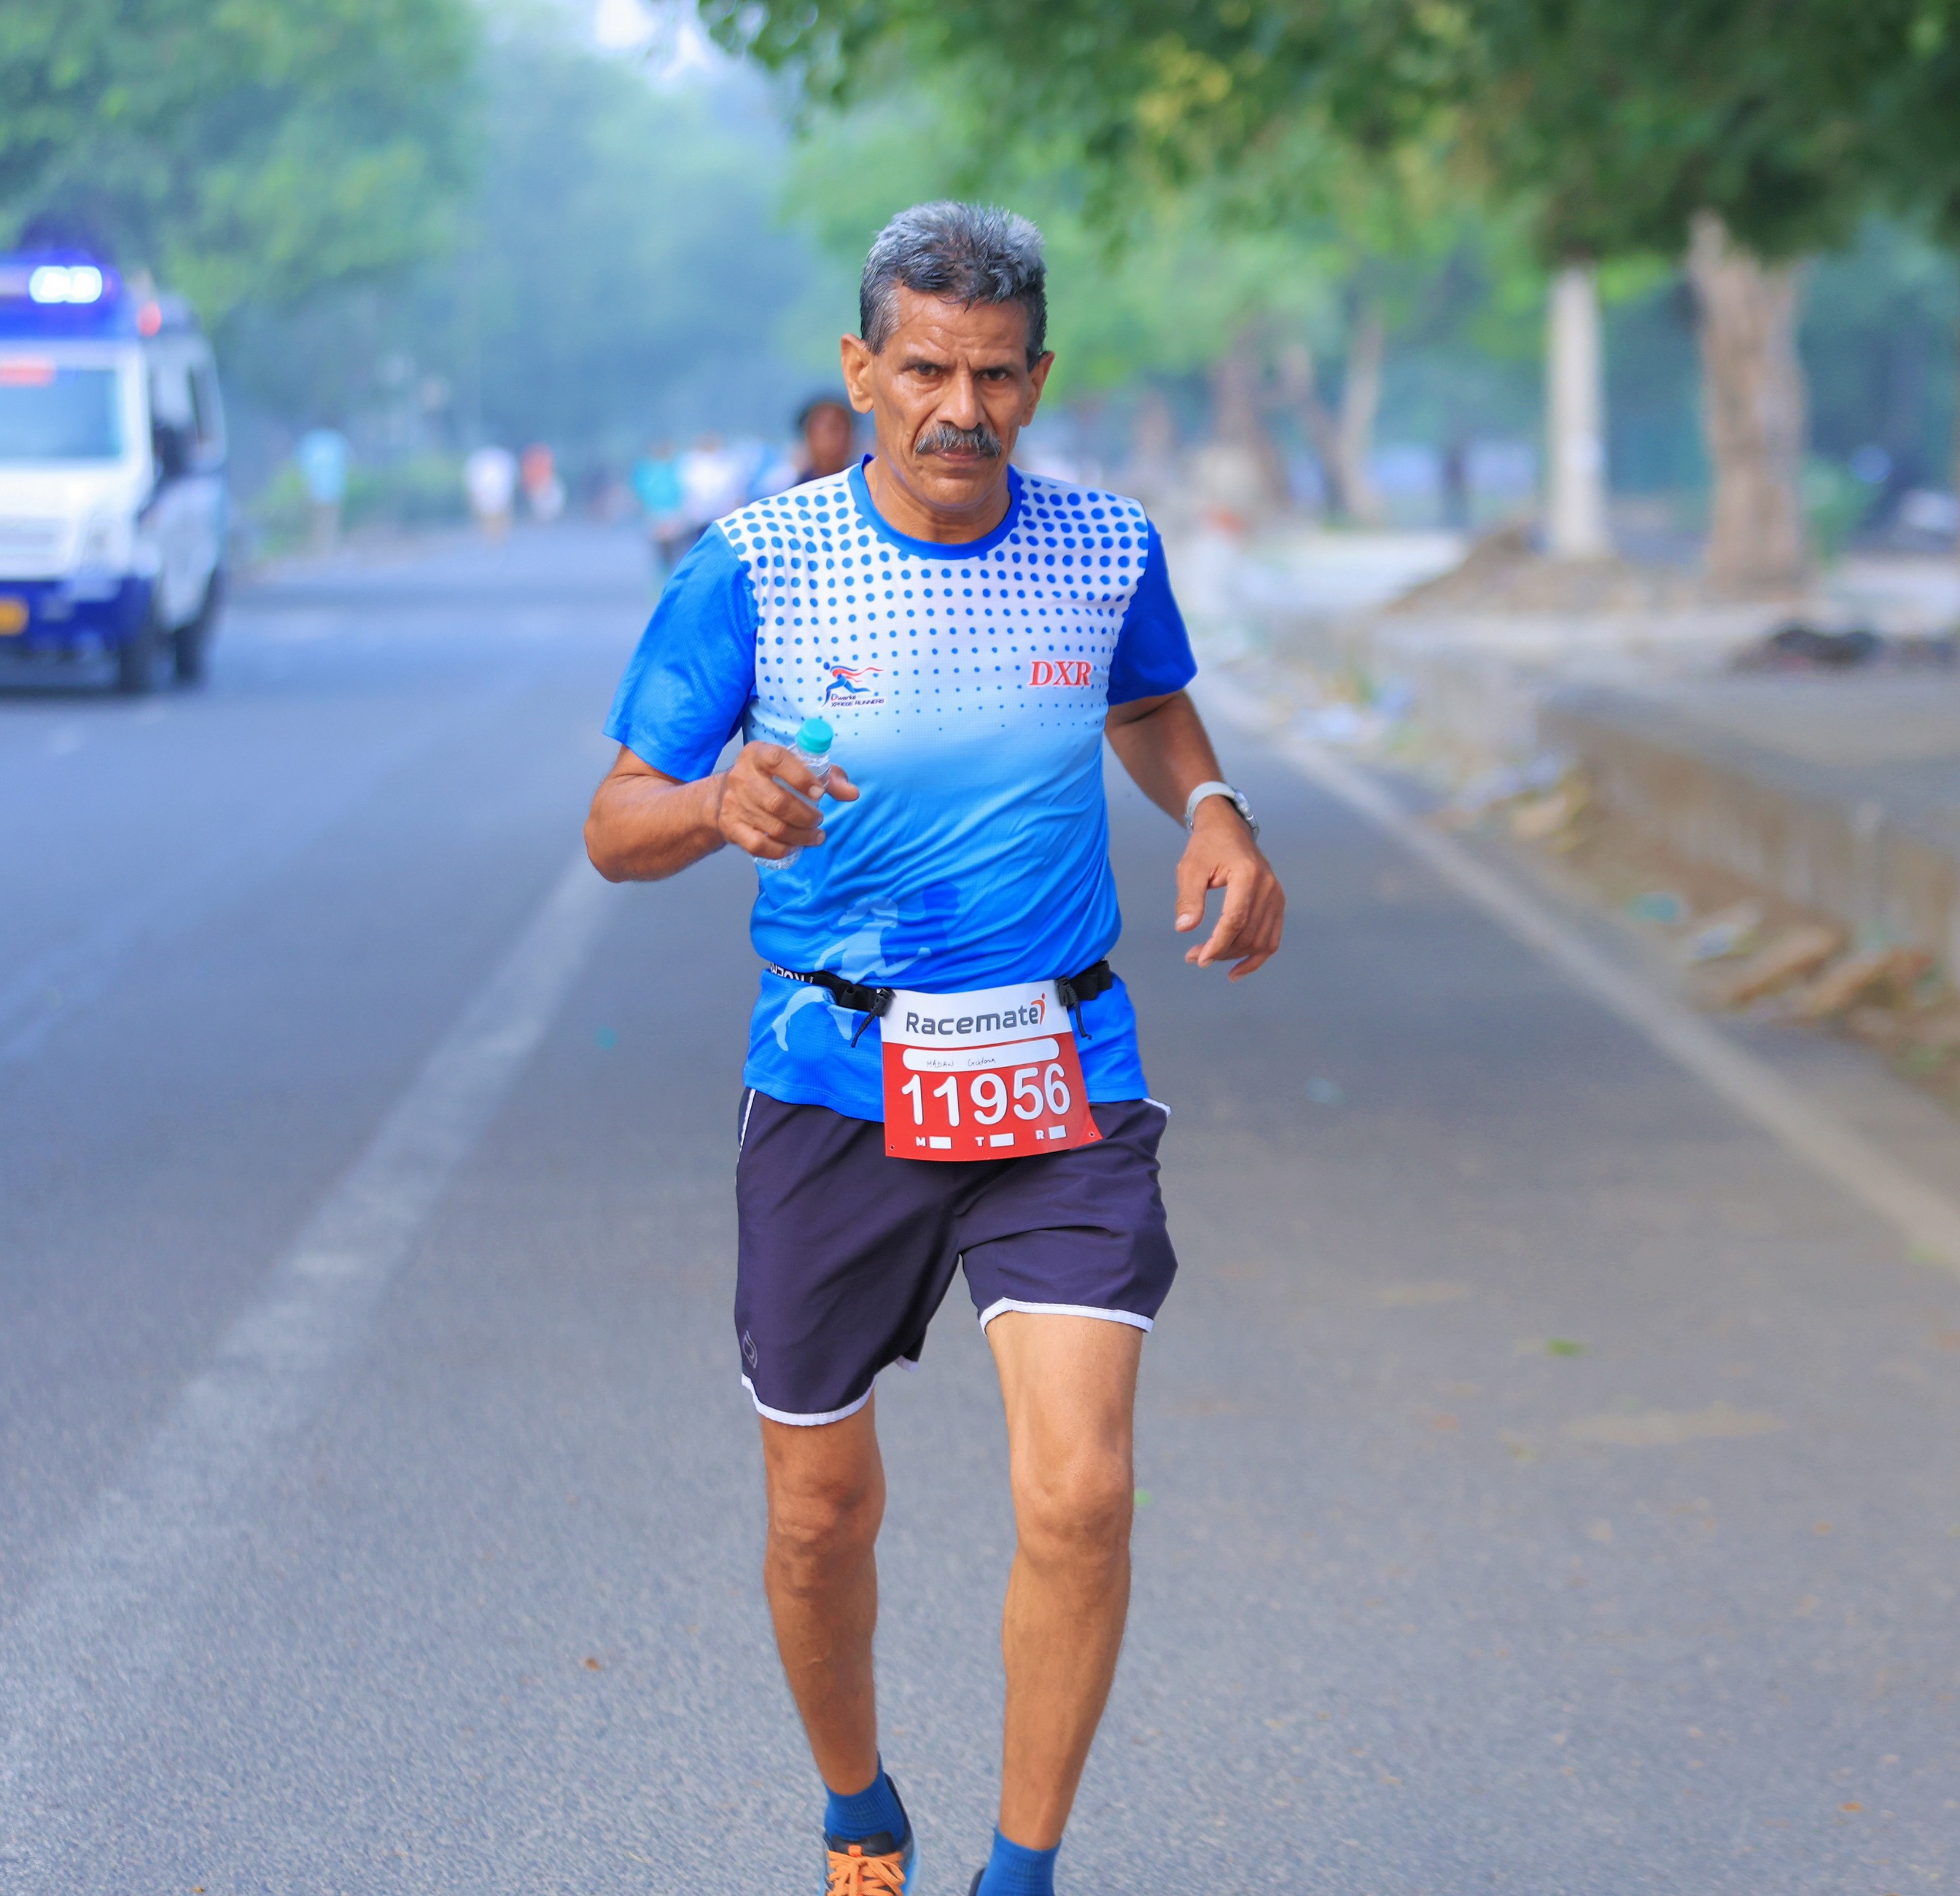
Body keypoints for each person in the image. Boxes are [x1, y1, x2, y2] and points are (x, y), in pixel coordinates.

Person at [584, 202, 1284, 1896]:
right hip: (836, 1080)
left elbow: (1143, 699)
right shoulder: (755, 564)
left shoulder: (1104, 545)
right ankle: (857, 1804)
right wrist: (713, 804)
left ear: (1038, 376)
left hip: (1060, 1070)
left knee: (1082, 1492)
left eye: (995, 376)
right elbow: (615, 823)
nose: (960, 410)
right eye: (923, 372)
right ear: (860, 368)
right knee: (819, 1513)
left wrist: (1211, 805)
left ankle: (1019, 1872)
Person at [758, 394, 863, 497]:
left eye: (847, 429)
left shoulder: (863, 487)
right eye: (833, 429)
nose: (842, 437)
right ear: (809, 435)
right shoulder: (794, 494)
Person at [631, 442, 685, 571]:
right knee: (662, 548)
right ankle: (664, 574)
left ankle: (667, 573)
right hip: (656, 514)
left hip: (668, 514)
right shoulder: (647, 470)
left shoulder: (674, 468)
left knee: (669, 548)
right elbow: (640, 492)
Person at [463, 444, 518, 540]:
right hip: (489, 494)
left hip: (495, 493)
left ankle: (496, 534)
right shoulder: (485, 460)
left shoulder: (486, 460)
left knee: (494, 513)